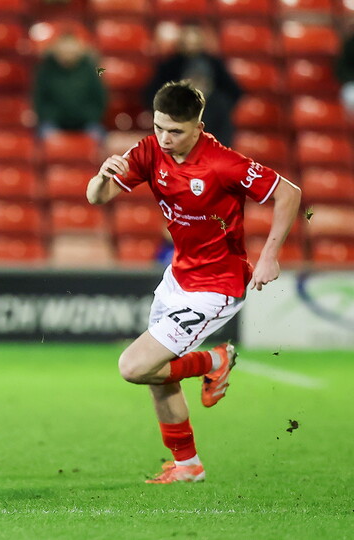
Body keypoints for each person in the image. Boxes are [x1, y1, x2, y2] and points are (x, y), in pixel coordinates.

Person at [87, 80, 301, 483]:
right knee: (157, 374)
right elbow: (96, 198)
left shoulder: (223, 163)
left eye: (176, 131)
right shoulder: (149, 150)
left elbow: (288, 193)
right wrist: (102, 176)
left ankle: (214, 360)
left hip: (217, 284)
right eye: (159, 127)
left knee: (134, 366)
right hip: (178, 279)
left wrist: (270, 254)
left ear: (198, 127)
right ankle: (188, 465)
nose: (165, 139)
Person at [144, 23, 241, 147]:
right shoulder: (169, 65)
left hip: (213, 120)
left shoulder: (214, 65)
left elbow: (233, 92)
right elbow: (151, 95)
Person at [34, 31, 107, 142]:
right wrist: (55, 116)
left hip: (85, 123)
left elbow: (100, 99)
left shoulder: (91, 69)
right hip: (54, 123)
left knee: (98, 135)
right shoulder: (46, 69)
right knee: (46, 135)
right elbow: (39, 100)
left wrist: (86, 116)